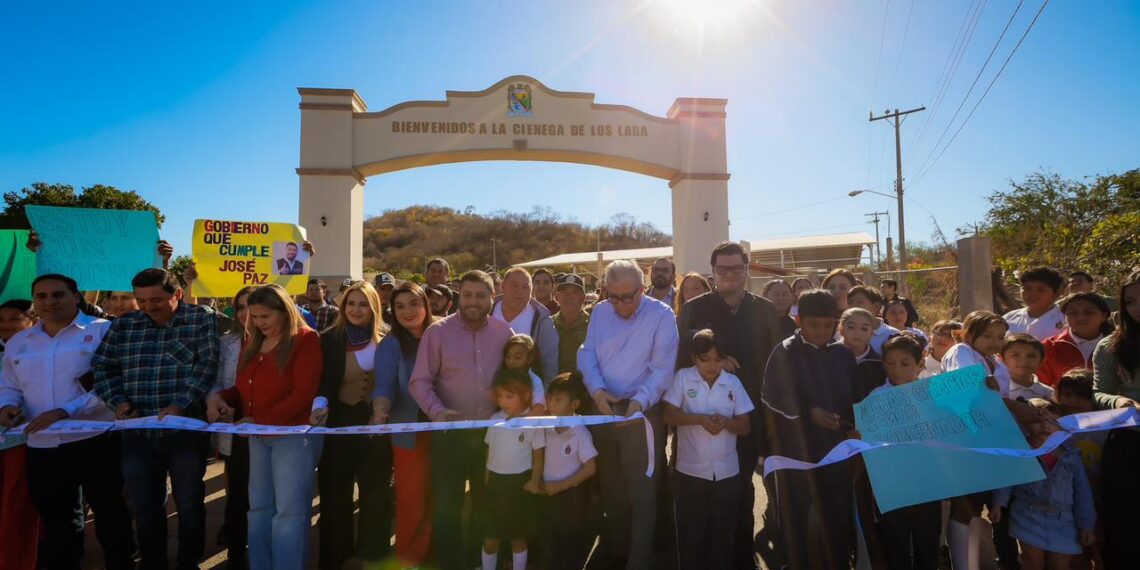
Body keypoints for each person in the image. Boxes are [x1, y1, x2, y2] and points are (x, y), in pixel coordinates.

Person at [0, 275, 136, 570]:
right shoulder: (20, 342)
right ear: (35, 301)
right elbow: (9, 384)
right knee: (57, 519)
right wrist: (7, 405)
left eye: (58, 295)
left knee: (110, 512)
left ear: (76, 297)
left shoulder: (104, 331)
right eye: (42, 296)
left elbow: (112, 383)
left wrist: (66, 410)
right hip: (41, 444)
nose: (50, 302)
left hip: (97, 440)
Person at [93, 268, 219, 570]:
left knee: (189, 503)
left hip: (184, 432)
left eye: (156, 300)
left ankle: (188, 562)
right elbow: (102, 367)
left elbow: (207, 365)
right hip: (137, 434)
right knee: (146, 508)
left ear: (177, 294)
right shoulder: (124, 325)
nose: (148, 307)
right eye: (142, 300)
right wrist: (119, 402)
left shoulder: (201, 319)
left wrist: (180, 404)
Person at [676, 241, 784, 570]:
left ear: (747, 270)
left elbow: (777, 362)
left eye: (737, 268)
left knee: (739, 489)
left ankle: (739, 556)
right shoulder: (695, 309)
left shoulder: (765, 310)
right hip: (701, 415)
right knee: (699, 492)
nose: (730, 275)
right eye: (722, 269)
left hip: (747, 415)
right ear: (713, 273)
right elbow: (681, 351)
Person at [207, 284, 322, 569]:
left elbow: (303, 395)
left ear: (285, 311)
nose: (258, 323)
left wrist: (261, 420)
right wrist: (220, 397)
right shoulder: (253, 340)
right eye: (253, 317)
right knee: (258, 508)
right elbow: (244, 387)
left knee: (289, 512)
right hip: (257, 436)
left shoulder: (305, 340)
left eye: (265, 316)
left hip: (291, 439)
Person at [408, 270, 513, 570]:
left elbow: (516, 378)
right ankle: (452, 563)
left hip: (491, 437)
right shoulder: (437, 332)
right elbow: (420, 381)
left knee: (486, 504)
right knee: (448, 506)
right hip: (449, 436)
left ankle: (481, 562)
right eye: (467, 295)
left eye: (481, 296)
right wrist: (437, 411)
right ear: (458, 295)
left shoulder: (505, 334)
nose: (473, 302)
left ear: (493, 298)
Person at [578, 259, 678, 570]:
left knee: (642, 492)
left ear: (642, 287)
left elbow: (663, 368)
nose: (621, 304)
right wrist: (596, 390)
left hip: (642, 413)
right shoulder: (600, 311)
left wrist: (641, 400)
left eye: (629, 296)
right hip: (605, 409)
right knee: (612, 489)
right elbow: (587, 353)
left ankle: (639, 561)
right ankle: (619, 551)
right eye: (614, 297)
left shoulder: (661, 315)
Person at [760, 289, 859, 569]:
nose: (822, 331)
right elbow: (772, 396)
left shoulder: (843, 354)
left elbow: (854, 396)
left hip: (837, 452)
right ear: (799, 321)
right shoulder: (784, 351)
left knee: (837, 516)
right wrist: (809, 412)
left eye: (829, 325)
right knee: (797, 521)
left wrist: (852, 427)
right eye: (814, 325)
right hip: (795, 454)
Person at [310, 281, 391, 570]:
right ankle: (335, 558)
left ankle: (373, 556)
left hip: (376, 427)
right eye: (351, 303)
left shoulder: (388, 338)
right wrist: (319, 404)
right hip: (339, 424)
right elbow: (320, 381)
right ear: (343, 307)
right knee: (335, 496)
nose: (356, 310)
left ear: (374, 307)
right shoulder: (329, 339)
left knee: (376, 494)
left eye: (363, 304)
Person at [663, 329, 754, 570]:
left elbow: (745, 426)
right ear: (694, 358)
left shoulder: (733, 382)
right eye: (705, 359)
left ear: (726, 359)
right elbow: (669, 414)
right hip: (690, 472)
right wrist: (699, 420)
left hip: (727, 474)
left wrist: (726, 423)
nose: (712, 366)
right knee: (691, 537)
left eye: (718, 359)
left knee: (722, 537)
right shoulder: (682, 378)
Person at [939, 310, 1013, 570]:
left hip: (988, 437)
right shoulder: (961, 351)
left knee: (977, 504)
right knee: (965, 504)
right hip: (963, 437)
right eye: (988, 336)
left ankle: (972, 562)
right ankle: (962, 565)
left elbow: (1002, 394)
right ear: (969, 334)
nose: (995, 342)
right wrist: (987, 386)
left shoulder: (995, 360)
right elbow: (965, 384)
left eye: (1000, 337)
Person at [372, 282, 435, 567]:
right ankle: (409, 560)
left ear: (426, 304)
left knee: (445, 498)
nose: (407, 311)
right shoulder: (391, 344)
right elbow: (383, 386)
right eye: (399, 306)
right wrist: (380, 409)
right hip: (409, 432)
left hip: (448, 431)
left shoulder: (443, 334)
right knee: (412, 500)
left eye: (413, 303)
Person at [868, 333, 942, 570]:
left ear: (921, 364)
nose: (897, 370)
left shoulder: (934, 394)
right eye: (890, 363)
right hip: (892, 484)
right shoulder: (875, 398)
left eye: (905, 363)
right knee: (894, 540)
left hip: (928, 482)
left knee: (927, 541)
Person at [991, 423, 1096, 570]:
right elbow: (1008, 477)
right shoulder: (1021, 451)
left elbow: (1082, 492)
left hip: (1064, 522)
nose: (1045, 426)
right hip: (1028, 515)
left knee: (1059, 566)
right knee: (1032, 563)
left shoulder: (1071, 456)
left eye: (1052, 421)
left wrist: (1086, 524)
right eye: (1037, 420)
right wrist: (999, 504)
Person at [1091, 270, 1140, 568]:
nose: (1137, 308)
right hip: (1129, 445)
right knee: (1126, 528)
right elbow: (1100, 393)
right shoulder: (1110, 346)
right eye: (1131, 301)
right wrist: (1119, 402)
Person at [208, 286, 255, 569]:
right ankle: (236, 553)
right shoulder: (226, 343)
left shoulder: (280, 342)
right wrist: (215, 400)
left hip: (270, 427)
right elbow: (215, 381)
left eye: (252, 305)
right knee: (237, 491)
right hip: (234, 425)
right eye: (240, 306)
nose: (245, 313)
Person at [480, 370, 545, 570]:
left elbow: (538, 454)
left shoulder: (533, 422)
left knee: (518, 538)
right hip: (495, 487)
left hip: (519, 486)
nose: (504, 401)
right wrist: (487, 482)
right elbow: (489, 454)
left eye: (509, 396)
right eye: (500, 396)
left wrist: (534, 480)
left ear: (526, 395)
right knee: (490, 539)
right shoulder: (495, 418)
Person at [539, 372, 598, 570]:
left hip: (572, 498)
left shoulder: (580, 431)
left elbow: (591, 468)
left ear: (574, 404)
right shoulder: (543, 425)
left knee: (568, 547)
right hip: (546, 496)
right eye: (550, 398)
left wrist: (561, 486)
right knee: (547, 545)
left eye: (558, 400)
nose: (551, 404)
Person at [0, 299, 38, 570]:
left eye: (15, 319)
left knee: (16, 508)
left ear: (32, 320)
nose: (6, 326)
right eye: (1, 320)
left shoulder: (43, 351)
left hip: (22, 441)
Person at [492, 267, 559, 383]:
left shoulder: (542, 320)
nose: (519, 291)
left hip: (526, 394)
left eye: (525, 287)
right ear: (503, 286)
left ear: (531, 291)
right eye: (514, 285)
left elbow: (550, 365)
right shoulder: (487, 311)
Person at [1038, 292, 1113, 387]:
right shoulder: (1050, 346)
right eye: (1073, 313)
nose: (1081, 317)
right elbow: (1040, 386)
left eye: (1089, 312)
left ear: (1104, 316)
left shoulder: (1116, 345)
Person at [1004, 267, 1066, 341]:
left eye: (1041, 290)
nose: (1033, 294)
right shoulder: (1008, 318)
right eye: (1027, 288)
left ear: (1057, 293)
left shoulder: (1066, 320)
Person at [838, 307, 886, 400]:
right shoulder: (827, 355)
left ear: (872, 333)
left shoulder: (878, 363)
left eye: (864, 329)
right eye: (851, 327)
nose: (857, 332)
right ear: (841, 329)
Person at [500, 334, 548, 414]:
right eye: (508, 357)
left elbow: (539, 408)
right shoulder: (502, 378)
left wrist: (520, 421)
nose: (511, 361)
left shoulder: (534, 380)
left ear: (530, 358)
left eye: (518, 357)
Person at [552, 274, 589, 375]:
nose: (569, 296)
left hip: (584, 386)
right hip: (554, 385)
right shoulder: (548, 324)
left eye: (575, 292)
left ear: (583, 298)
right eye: (564, 292)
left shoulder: (593, 325)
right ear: (556, 296)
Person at [847, 285, 901, 354]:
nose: (853, 306)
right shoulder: (842, 333)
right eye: (850, 302)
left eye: (859, 302)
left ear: (876, 306)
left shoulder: (892, 334)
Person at [1001, 334, 1055, 401]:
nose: (1024, 361)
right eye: (1015, 355)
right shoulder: (996, 390)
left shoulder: (1049, 394)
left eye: (1031, 356)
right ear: (1002, 359)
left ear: (1041, 361)